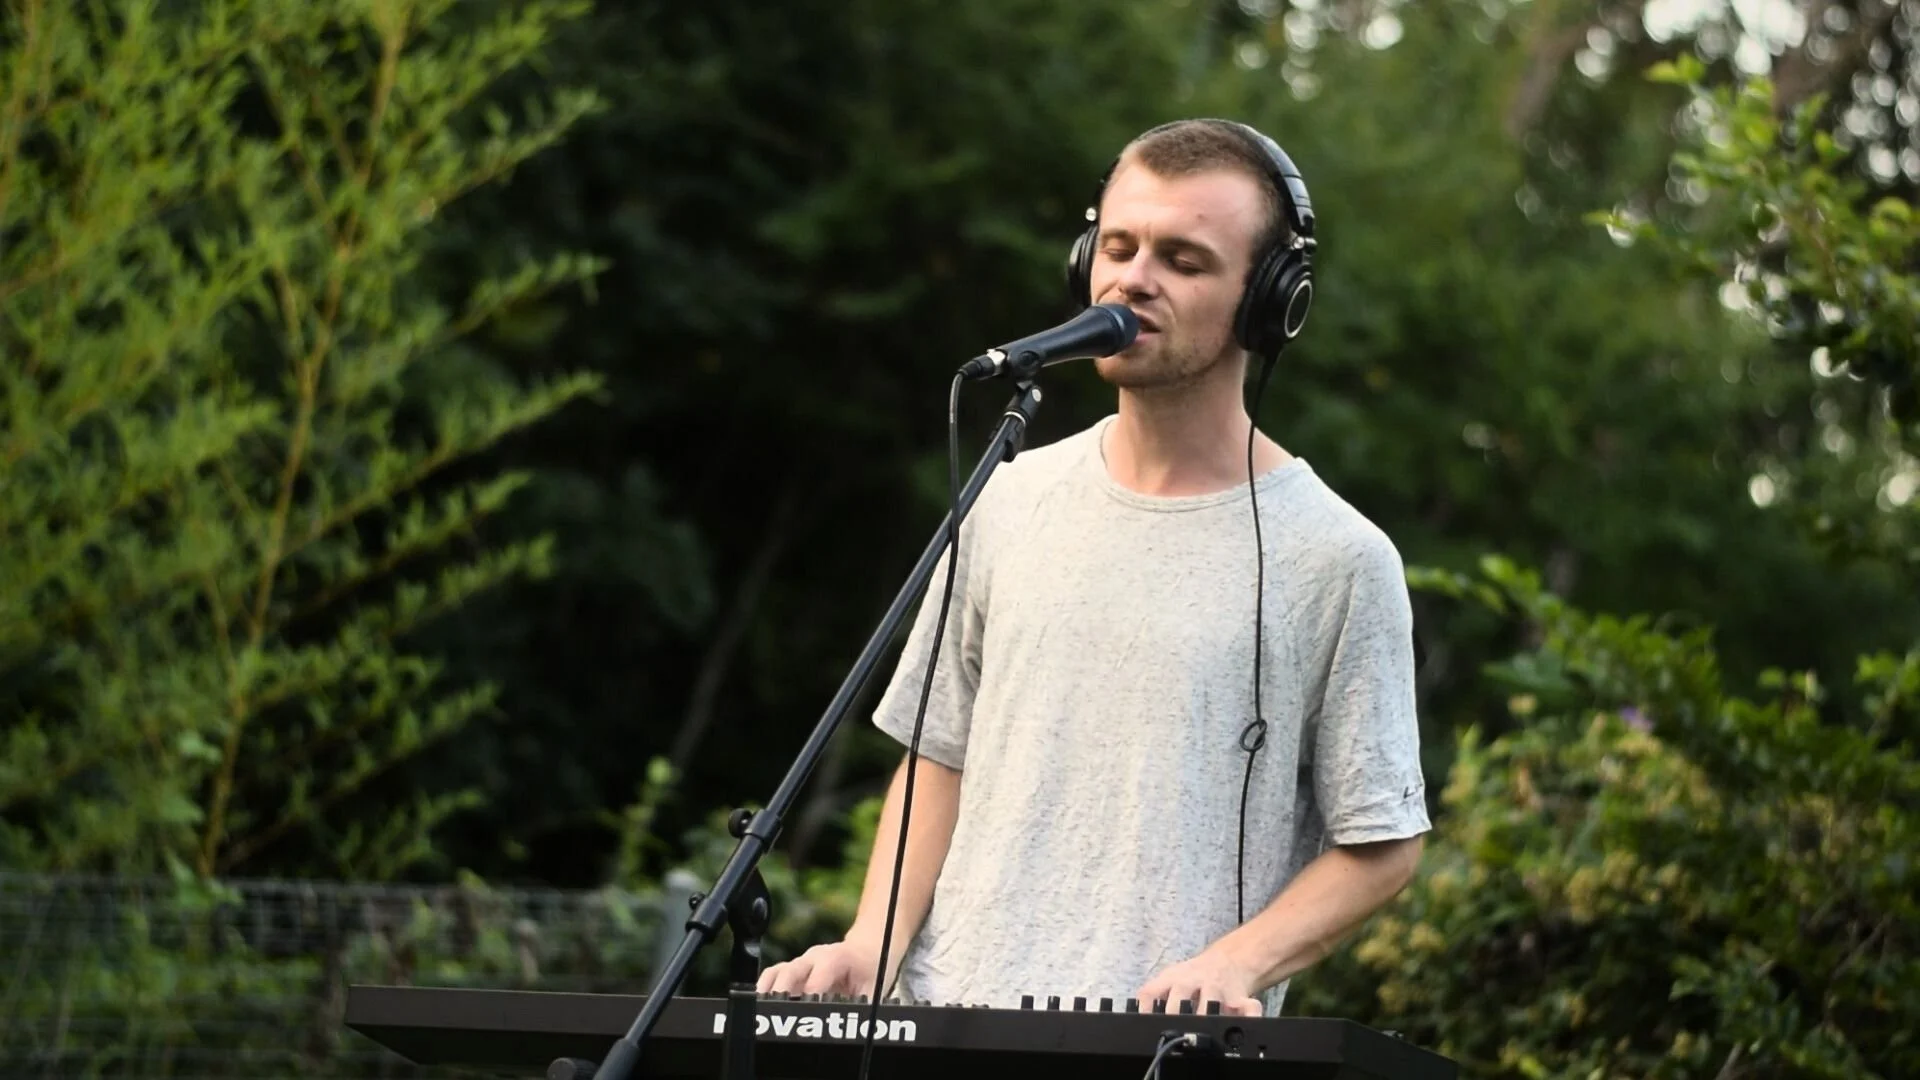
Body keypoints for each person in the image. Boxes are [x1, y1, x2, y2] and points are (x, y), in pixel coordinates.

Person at [756, 118, 1429, 1018]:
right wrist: (872, 941)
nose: (1133, 279)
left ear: (1271, 302)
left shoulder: (1339, 558)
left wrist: (1237, 964)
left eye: (1183, 261)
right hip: (946, 1031)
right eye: (1118, 247)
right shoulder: (1004, 496)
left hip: (1158, 1047)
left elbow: (1383, 842)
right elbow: (939, 757)